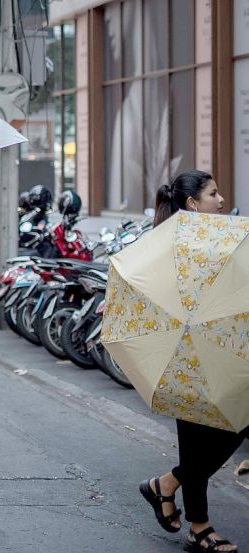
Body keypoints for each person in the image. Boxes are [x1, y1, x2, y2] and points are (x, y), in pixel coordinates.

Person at [140, 170, 245, 553]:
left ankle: (166, 485)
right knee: (199, 438)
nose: (221, 200)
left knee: (237, 422)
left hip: (215, 349)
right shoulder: (175, 246)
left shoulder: (218, 241)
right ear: (192, 204)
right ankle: (197, 525)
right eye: (213, 194)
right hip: (185, 352)